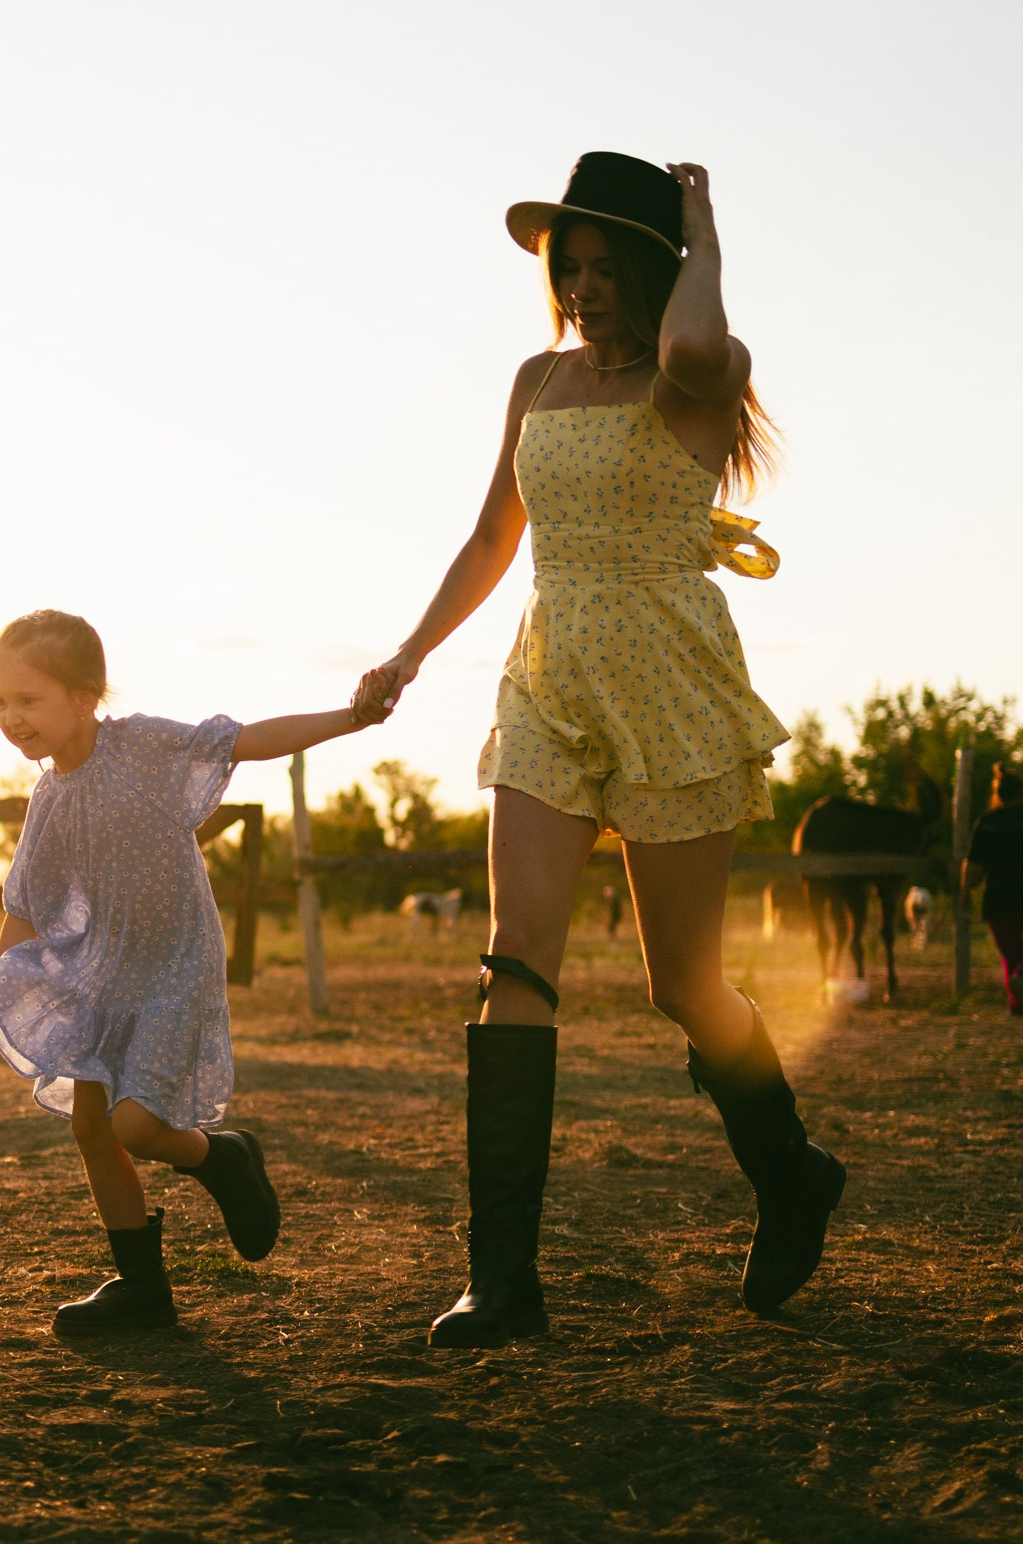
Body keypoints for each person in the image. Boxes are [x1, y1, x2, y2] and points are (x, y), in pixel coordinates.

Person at [357, 152, 845, 1343]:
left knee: (681, 984)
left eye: (601, 265)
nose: (579, 287)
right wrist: (410, 653)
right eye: (563, 267)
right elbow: (490, 536)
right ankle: (503, 1278)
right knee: (512, 957)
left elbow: (684, 352)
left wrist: (707, 227)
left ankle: (789, 1172)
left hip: (668, 673)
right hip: (548, 675)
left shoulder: (701, 370)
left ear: (655, 266)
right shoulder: (537, 378)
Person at [0, 609, 381, 1334]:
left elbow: (245, 741)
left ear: (87, 695)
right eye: (0, 700)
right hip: (97, 977)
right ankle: (143, 1290)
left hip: (173, 967)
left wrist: (350, 717)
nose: (11, 717)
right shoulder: (49, 797)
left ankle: (223, 1157)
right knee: (93, 1128)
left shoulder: (143, 746)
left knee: (136, 1125)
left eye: (28, 700)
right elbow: (24, 905)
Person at [965, 764, 1023, 1014]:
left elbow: (972, 867)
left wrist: (965, 892)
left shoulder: (986, 823)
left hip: (997, 898)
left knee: (1011, 953)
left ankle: (1017, 1006)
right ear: (1022, 793)